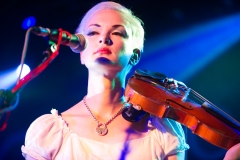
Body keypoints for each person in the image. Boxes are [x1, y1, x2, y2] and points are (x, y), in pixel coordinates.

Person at [21, 1, 239, 160]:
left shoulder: (163, 130)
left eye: (117, 33)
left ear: (134, 55)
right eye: (93, 32)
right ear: (80, 51)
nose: (103, 38)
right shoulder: (49, 132)